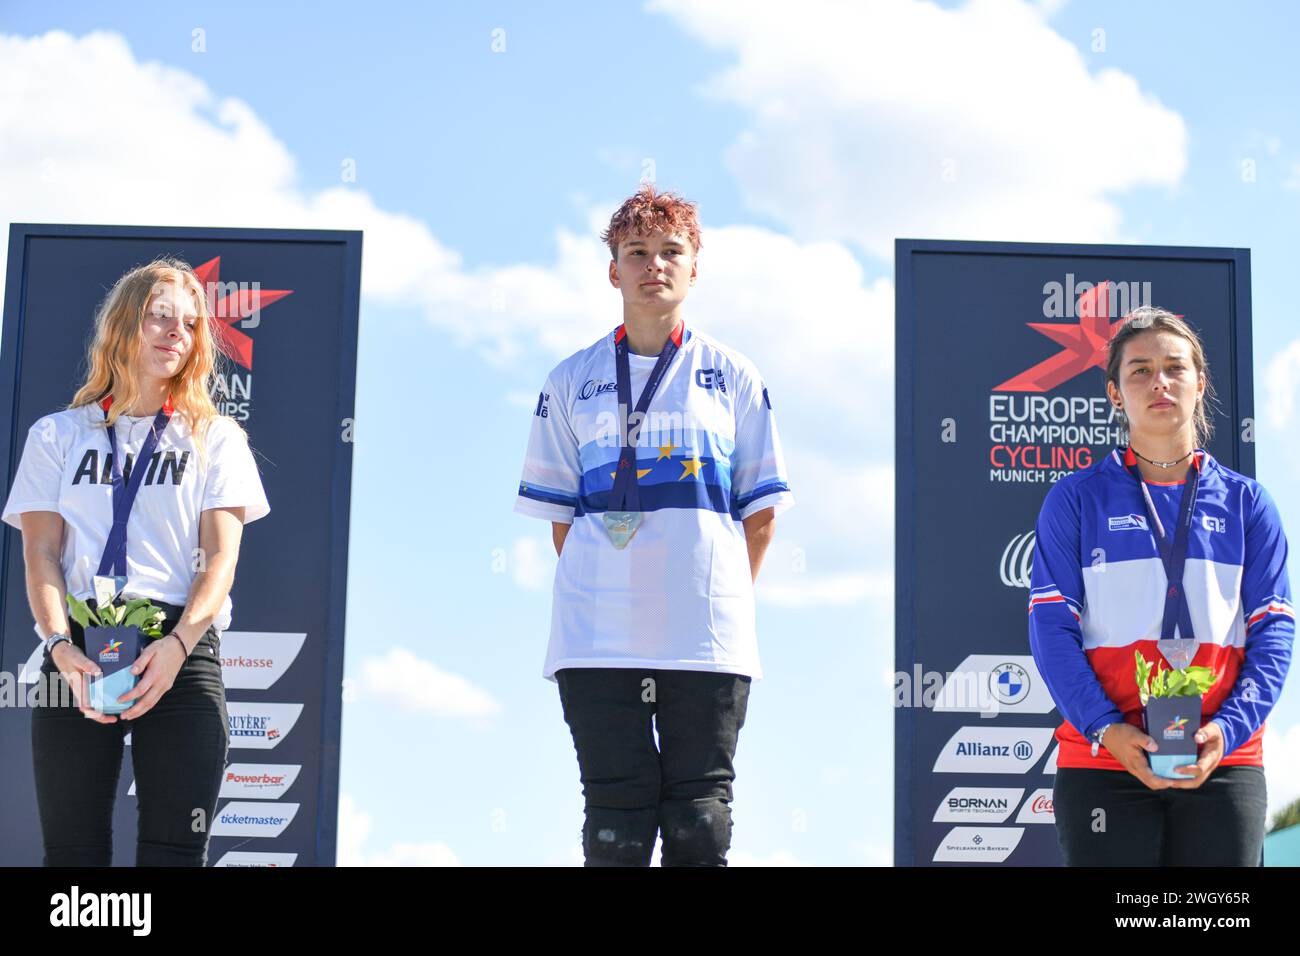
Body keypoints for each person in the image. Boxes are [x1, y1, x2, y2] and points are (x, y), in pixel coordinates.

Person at [513, 185, 794, 866]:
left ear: (696, 267)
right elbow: (562, 523)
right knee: (616, 824)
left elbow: (760, 515)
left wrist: (715, 590)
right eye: (636, 252)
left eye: (672, 251)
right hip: (597, 636)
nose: (654, 266)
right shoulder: (570, 380)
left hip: (706, 634)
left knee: (700, 821)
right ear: (613, 270)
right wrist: (609, 581)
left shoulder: (733, 376)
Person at [2, 257, 271, 866]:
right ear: (124, 325)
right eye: (159, 316)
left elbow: (220, 559)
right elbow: (41, 553)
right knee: (72, 857)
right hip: (76, 648)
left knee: (175, 853)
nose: (177, 331)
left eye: (190, 324)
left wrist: (177, 647)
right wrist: (57, 646)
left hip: (180, 647)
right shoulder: (56, 435)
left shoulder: (216, 436)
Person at [1029, 306, 1293, 866]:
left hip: (1223, 760)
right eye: (1140, 370)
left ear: (1201, 383)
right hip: (1104, 761)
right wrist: (1104, 729)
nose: (1160, 382)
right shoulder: (1076, 499)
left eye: (1175, 368)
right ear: (1115, 393)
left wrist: (1228, 730)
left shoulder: (1249, 504)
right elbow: (1051, 630)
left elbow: (1275, 636)